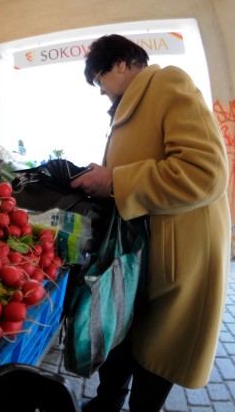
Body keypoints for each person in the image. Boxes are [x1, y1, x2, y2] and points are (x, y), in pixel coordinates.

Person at [70, 34, 231, 412]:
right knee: (125, 341)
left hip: (178, 253)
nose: (100, 91)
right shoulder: (132, 105)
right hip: (140, 253)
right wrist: (106, 177)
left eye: (99, 78)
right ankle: (106, 401)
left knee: (158, 355)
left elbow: (204, 172)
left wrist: (114, 180)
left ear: (123, 63)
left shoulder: (169, 82)